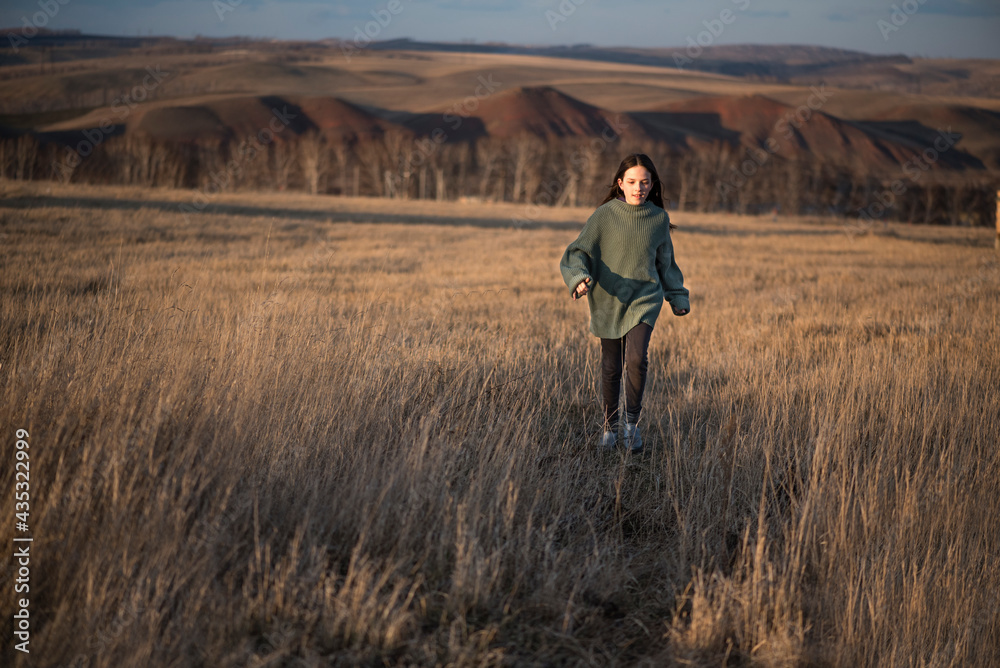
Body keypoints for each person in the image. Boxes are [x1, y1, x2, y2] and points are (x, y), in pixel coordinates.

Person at [559, 153, 690, 453]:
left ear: (652, 184)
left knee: (636, 360)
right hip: (608, 298)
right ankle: (610, 427)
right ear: (620, 183)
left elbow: (666, 263)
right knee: (611, 366)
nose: (638, 188)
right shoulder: (604, 215)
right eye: (631, 182)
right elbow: (577, 251)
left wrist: (677, 296)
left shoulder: (658, 219)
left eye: (645, 182)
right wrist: (578, 277)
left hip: (645, 299)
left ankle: (631, 426)